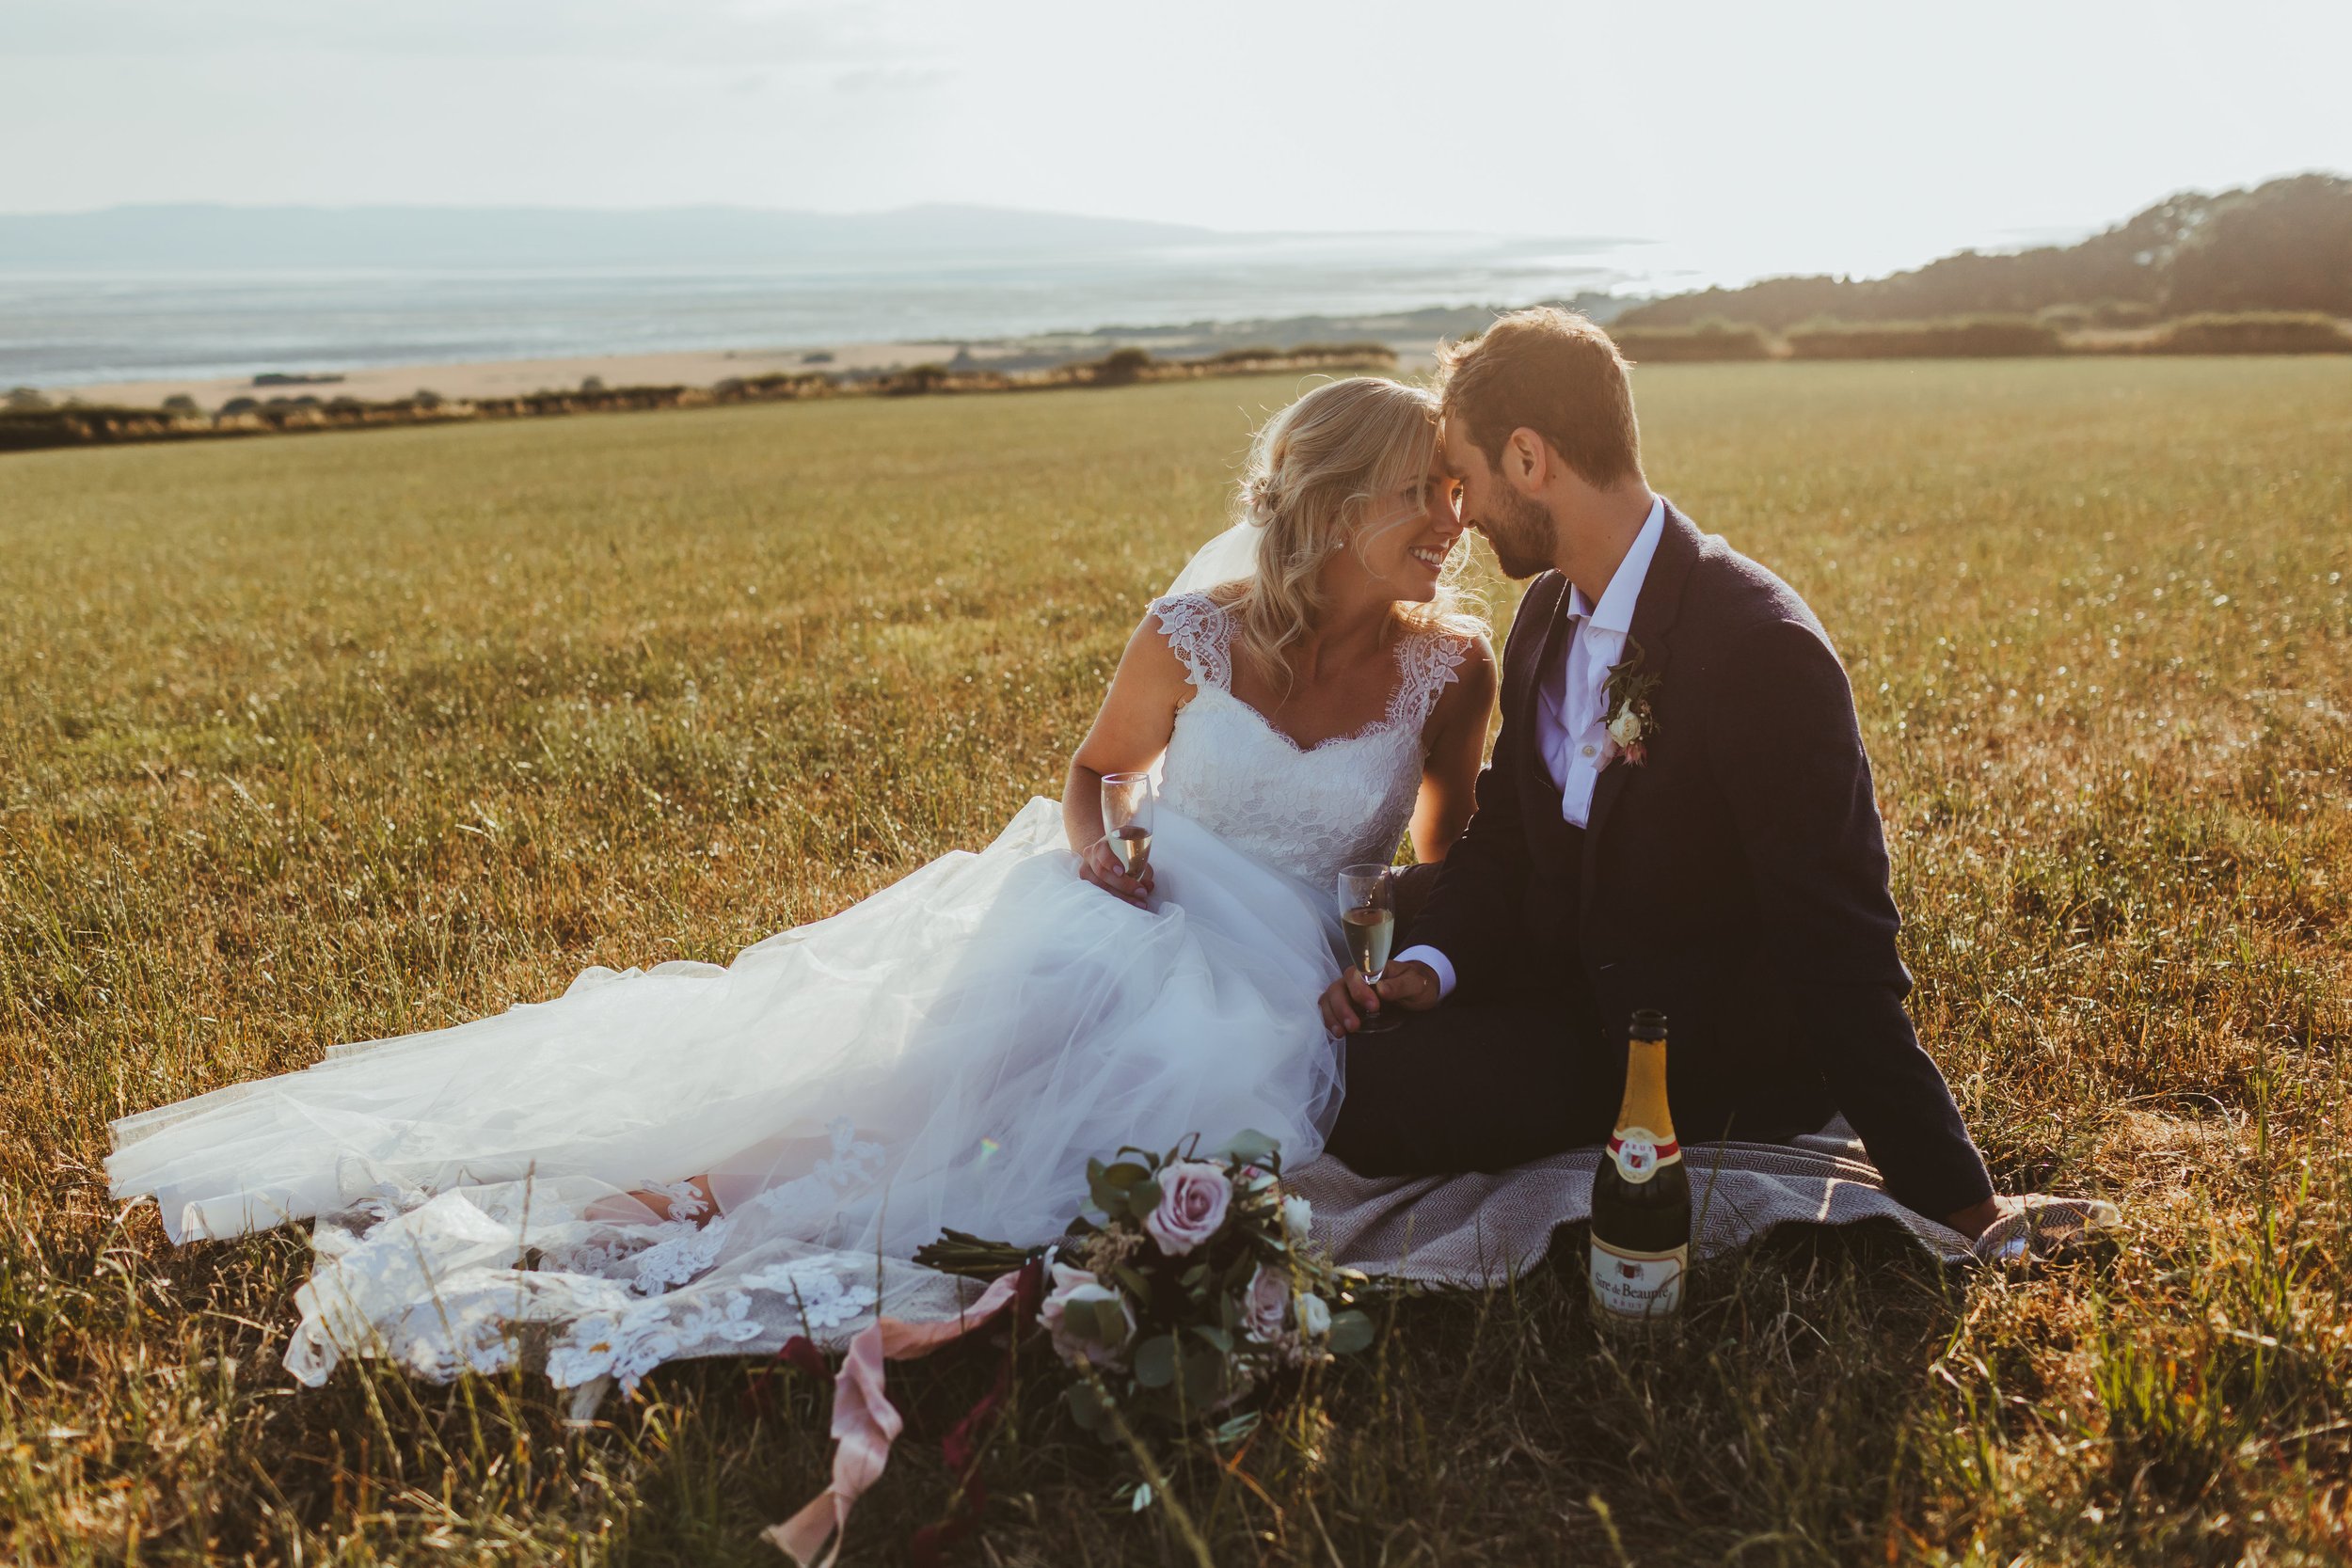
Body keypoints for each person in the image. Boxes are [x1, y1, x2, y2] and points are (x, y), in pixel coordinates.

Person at [104, 375, 1498, 1392]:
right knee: (968, 1060)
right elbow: (1096, 775)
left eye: (1457, 494)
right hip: (1137, 904)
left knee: (1187, 1106)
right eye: (1422, 494)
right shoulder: (1191, 631)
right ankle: (688, 1199)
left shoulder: (1453, 668)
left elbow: (1447, 862)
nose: (1451, 521)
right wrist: (1096, 845)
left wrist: (1384, 961)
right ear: (1329, 505)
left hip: (1284, 967)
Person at [1317, 308, 2012, 1242]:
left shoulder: (1759, 651)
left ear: (1528, 460)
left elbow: (1838, 947)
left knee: (1358, 1097)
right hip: (1546, 966)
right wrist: (1431, 968)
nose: (1460, 512)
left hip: (1664, 1041)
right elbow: (1510, 828)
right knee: (1325, 981)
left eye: (1465, 477)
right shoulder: (1548, 611)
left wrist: (1965, 1203)